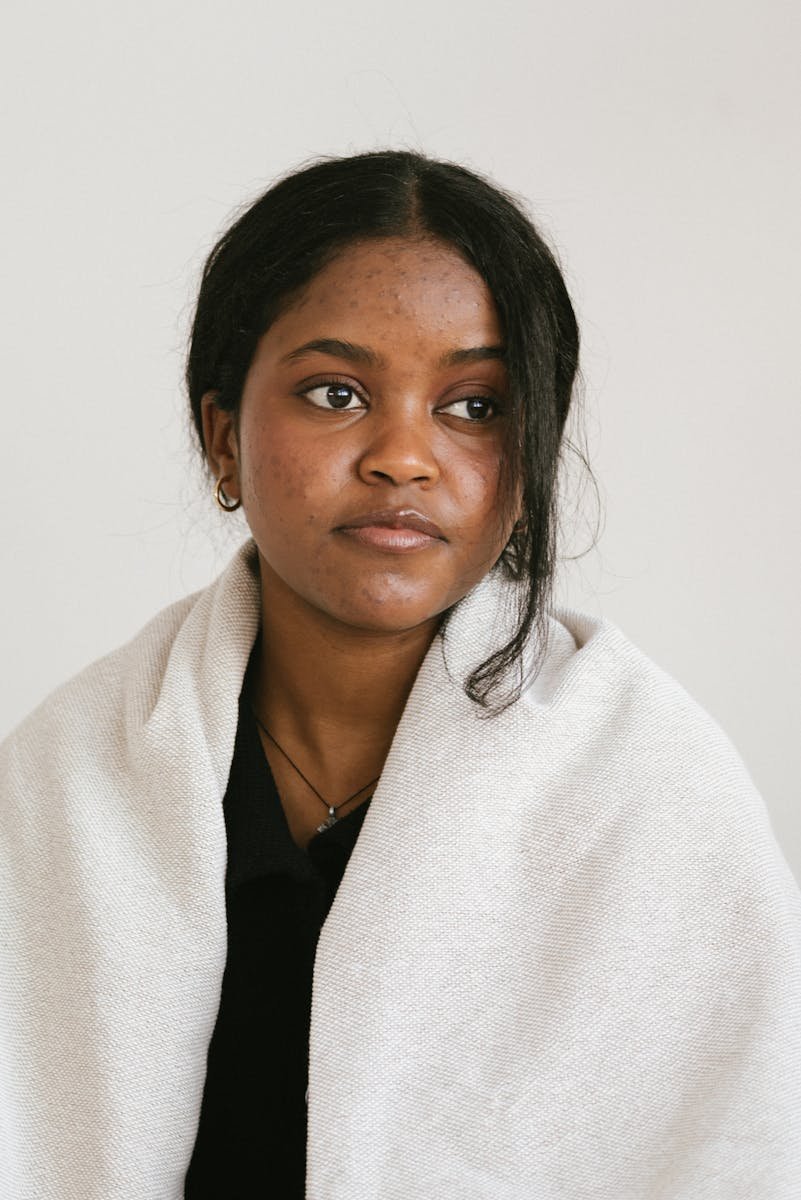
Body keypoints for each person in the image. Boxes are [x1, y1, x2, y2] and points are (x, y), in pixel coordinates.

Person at [1, 151, 799, 1200]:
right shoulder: (68, 777)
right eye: (337, 392)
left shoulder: (648, 792)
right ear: (223, 439)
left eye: (474, 406)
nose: (403, 456)